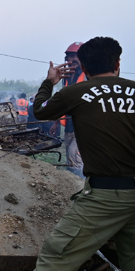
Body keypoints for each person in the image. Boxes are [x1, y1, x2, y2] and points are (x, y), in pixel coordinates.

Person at [8, 37, 135, 271]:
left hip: (106, 196)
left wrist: (49, 81)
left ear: (84, 67)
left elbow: (38, 110)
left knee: (57, 257)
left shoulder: (78, 91)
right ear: (117, 63)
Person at [49, 42, 85, 176]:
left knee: (74, 157)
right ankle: (74, 186)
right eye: (68, 57)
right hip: (70, 125)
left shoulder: (89, 76)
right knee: (70, 157)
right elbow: (64, 101)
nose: (70, 60)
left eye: (74, 56)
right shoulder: (67, 78)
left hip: (83, 126)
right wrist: (56, 122)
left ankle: (80, 186)